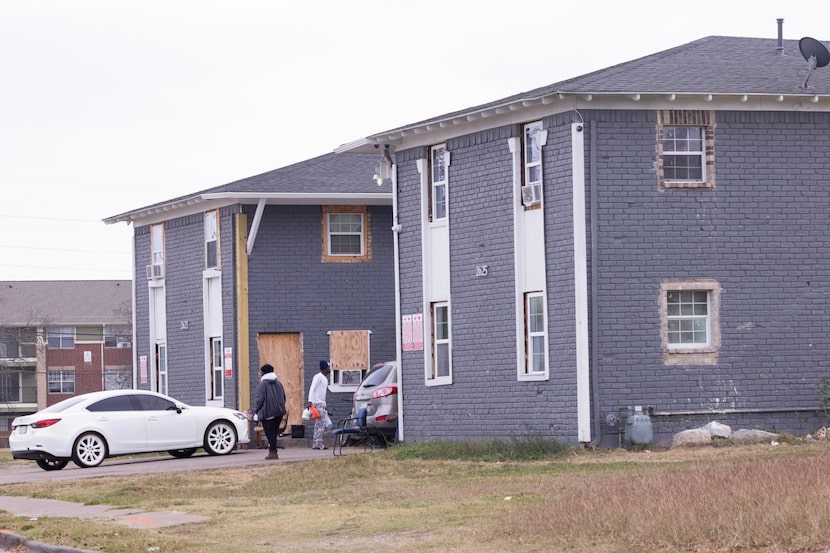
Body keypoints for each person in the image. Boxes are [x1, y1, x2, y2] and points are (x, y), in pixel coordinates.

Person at [253, 364, 286, 460]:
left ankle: (273, 452)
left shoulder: (262, 385)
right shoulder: (278, 383)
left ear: (263, 373)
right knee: (274, 432)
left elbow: (259, 400)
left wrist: (256, 411)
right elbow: (283, 397)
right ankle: (273, 450)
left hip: (267, 412)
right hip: (279, 412)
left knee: (269, 432)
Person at [308, 361, 331, 449]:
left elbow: (321, 393)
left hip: (321, 404)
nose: (329, 369)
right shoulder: (318, 377)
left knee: (318, 424)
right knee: (322, 424)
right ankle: (318, 443)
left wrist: (324, 404)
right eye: (328, 367)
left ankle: (316, 443)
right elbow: (312, 389)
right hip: (317, 404)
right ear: (325, 368)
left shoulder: (324, 378)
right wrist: (310, 401)